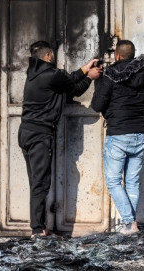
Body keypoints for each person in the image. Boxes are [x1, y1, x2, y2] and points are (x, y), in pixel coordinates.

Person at [19, 41, 102, 238]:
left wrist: (85, 69)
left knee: (35, 182)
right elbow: (74, 88)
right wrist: (90, 77)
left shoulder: (34, 75)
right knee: (41, 184)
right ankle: (37, 231)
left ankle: (39, 227)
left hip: (26, 132)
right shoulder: (52, 75)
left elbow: (68, 79)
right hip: (40, 135)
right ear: (48, 56)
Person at [90, 40, 144, 235]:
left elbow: (97, 105)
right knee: (132, 182)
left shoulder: (110, 76)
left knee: (113, 181)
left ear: (117, 56)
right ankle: (129, 226)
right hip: (140, 133)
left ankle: (129, 222)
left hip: (118, 134)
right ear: (133, 55)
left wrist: (97, 82)